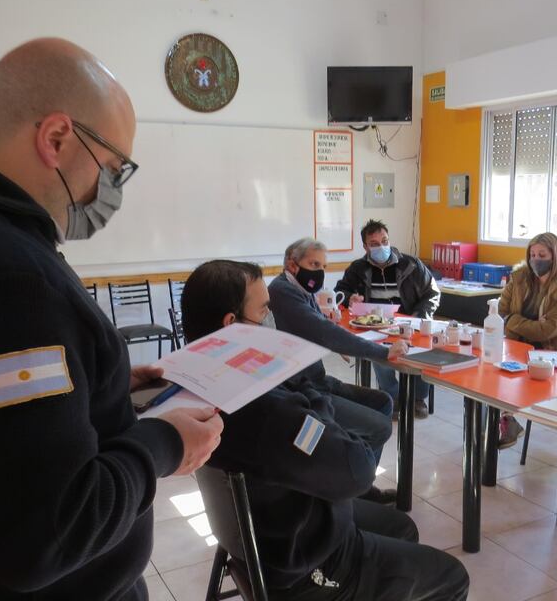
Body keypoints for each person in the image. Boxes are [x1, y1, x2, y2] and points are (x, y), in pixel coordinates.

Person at [0, 39, 223, 599]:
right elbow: (42, 537)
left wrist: (107, 382)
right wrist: (162, 446)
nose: (110, 192)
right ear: (56, 138)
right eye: (113, 169)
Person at [184, 260, 469, 601]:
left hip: (262, 531)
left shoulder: (197, 385)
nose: (272, 321)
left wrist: (291, 380)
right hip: (305, 564)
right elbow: (358, 471)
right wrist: (313, 396)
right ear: (231, 325)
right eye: (264, 312)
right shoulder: (269, 411)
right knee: (452, 576)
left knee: (401, 527)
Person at [269, 237, 408, 503]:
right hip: (304, 389)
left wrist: (328, 321)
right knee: (380, 427)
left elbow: (318, 326)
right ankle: (357, 494)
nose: (319, 271)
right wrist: (383, 352)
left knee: (381, 401)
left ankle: (360, 483)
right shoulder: (281, 292)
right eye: (313, 263)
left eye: (322, 265)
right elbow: (322, 331)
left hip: (316, 378)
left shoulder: (299, 289)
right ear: (291, 263)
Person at [335, 220, 440, 419]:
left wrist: (417, 318)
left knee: (424, 351)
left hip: (410, 322)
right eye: (374, 244)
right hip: (376, 327)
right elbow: (340, 290)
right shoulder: (357, 268)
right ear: (365, 247)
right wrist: (350, 298)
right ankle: (393, 397)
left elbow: (432, 294)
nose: (381, 247)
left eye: (384, 241)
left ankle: (418, 398)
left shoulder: (411, 265)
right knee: (379, 354)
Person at [497, 232, 557, 447]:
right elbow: (501, 310)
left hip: (546, 352)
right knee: (490, 374)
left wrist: (513, 319)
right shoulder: (519, 278)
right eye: (532, 254)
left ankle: (506, 421)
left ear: (554, 256)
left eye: (542, 255)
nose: (536, 259)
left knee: (511, 379)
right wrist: (522, 321)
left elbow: (548, 330)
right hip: (515, 344)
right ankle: (502, 422)